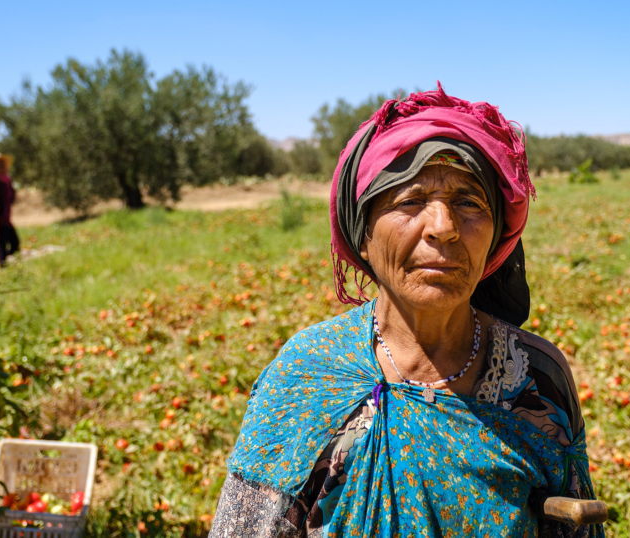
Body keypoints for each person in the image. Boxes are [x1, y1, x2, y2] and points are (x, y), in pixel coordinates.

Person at [209, 85, 603, 538]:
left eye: (469, 203)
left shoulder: (538, 375)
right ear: (363, 235)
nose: (443, 228)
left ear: (495, 237)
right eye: (410, 201)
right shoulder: (308, 372)